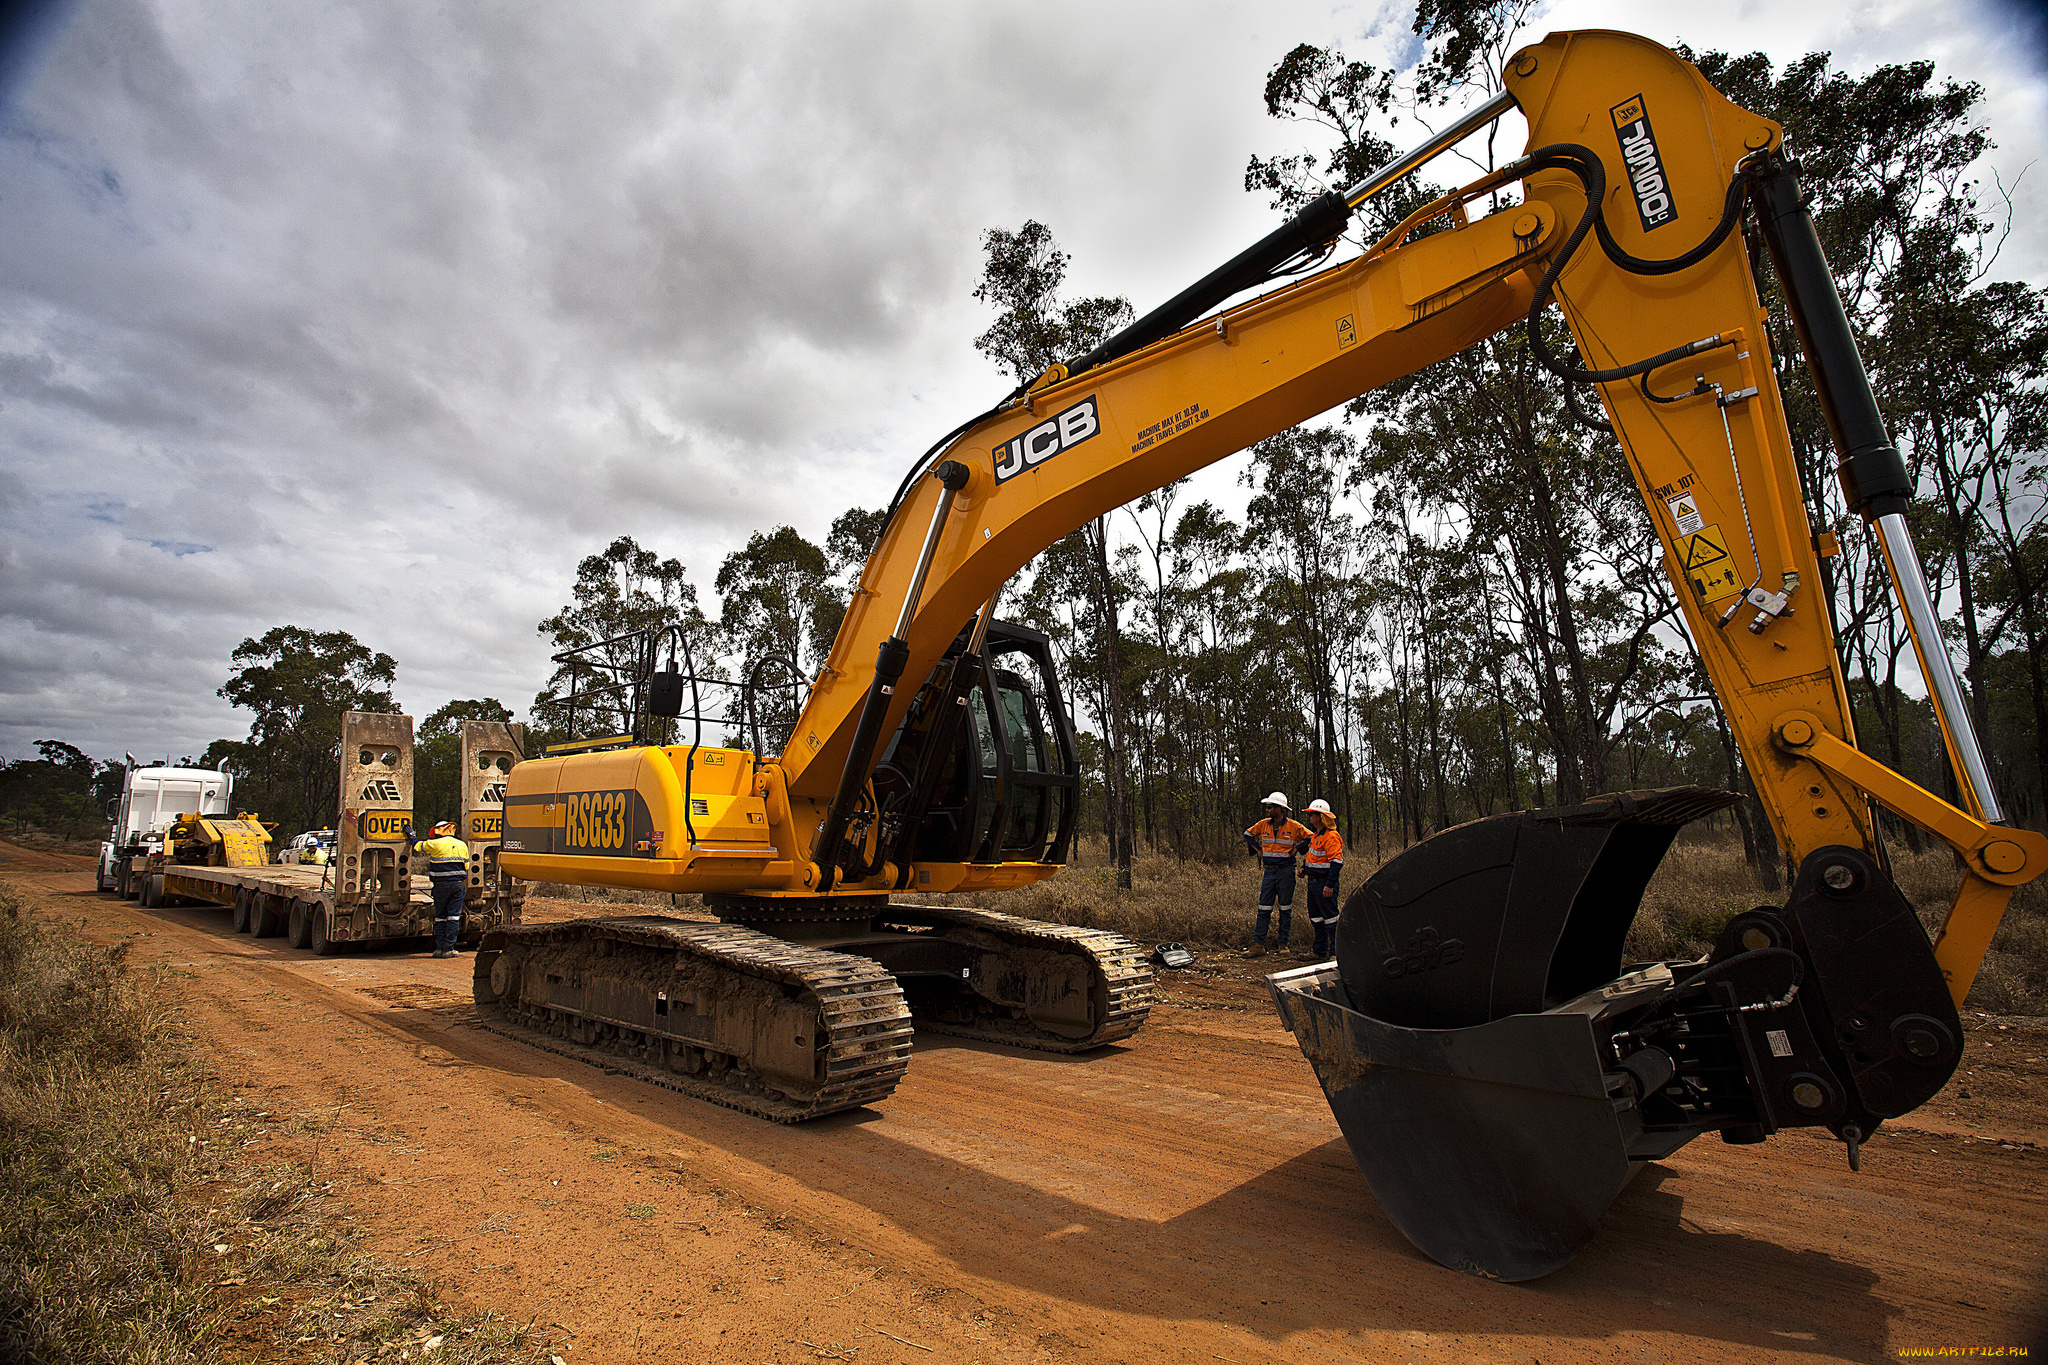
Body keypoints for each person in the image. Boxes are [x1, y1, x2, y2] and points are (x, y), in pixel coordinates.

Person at [1242, 792, 1311, 956]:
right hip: (1269, 872)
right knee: (1263, 908)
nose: (1267, 810)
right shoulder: (1263, 824)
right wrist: (1258, 850)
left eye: (1270, 807)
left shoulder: (1294, 826)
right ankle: (1258, 945)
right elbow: (1248, 834)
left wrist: (1298, 848)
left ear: (1280, 809)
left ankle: (1283, 945)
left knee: (1285, 909)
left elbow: (1312, 837)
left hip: (1286, 872)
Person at [406, 818, 471, 958]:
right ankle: (449, 949)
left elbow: (418, 846)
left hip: (440, 886)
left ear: (437, 832)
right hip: (458, 886)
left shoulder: (434, 844)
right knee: (453, 917)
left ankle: (440, 949)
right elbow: (467, 866)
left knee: (440, 917)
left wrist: (412, 836)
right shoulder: (462, 845)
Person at [1302, 798, 1344, 959]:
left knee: (1331, 919)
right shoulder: (1316, 836)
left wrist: (1330, 885)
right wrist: (1303, 869)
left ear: (1320, 816)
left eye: (1312, 814)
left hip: (1324, 884)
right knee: (1316, 918)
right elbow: (1314, 858)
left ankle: (1335, 953)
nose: (1309, 817)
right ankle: (1319, 951)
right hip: (1312, 883)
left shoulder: (1331, 836)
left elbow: (1336, 862)